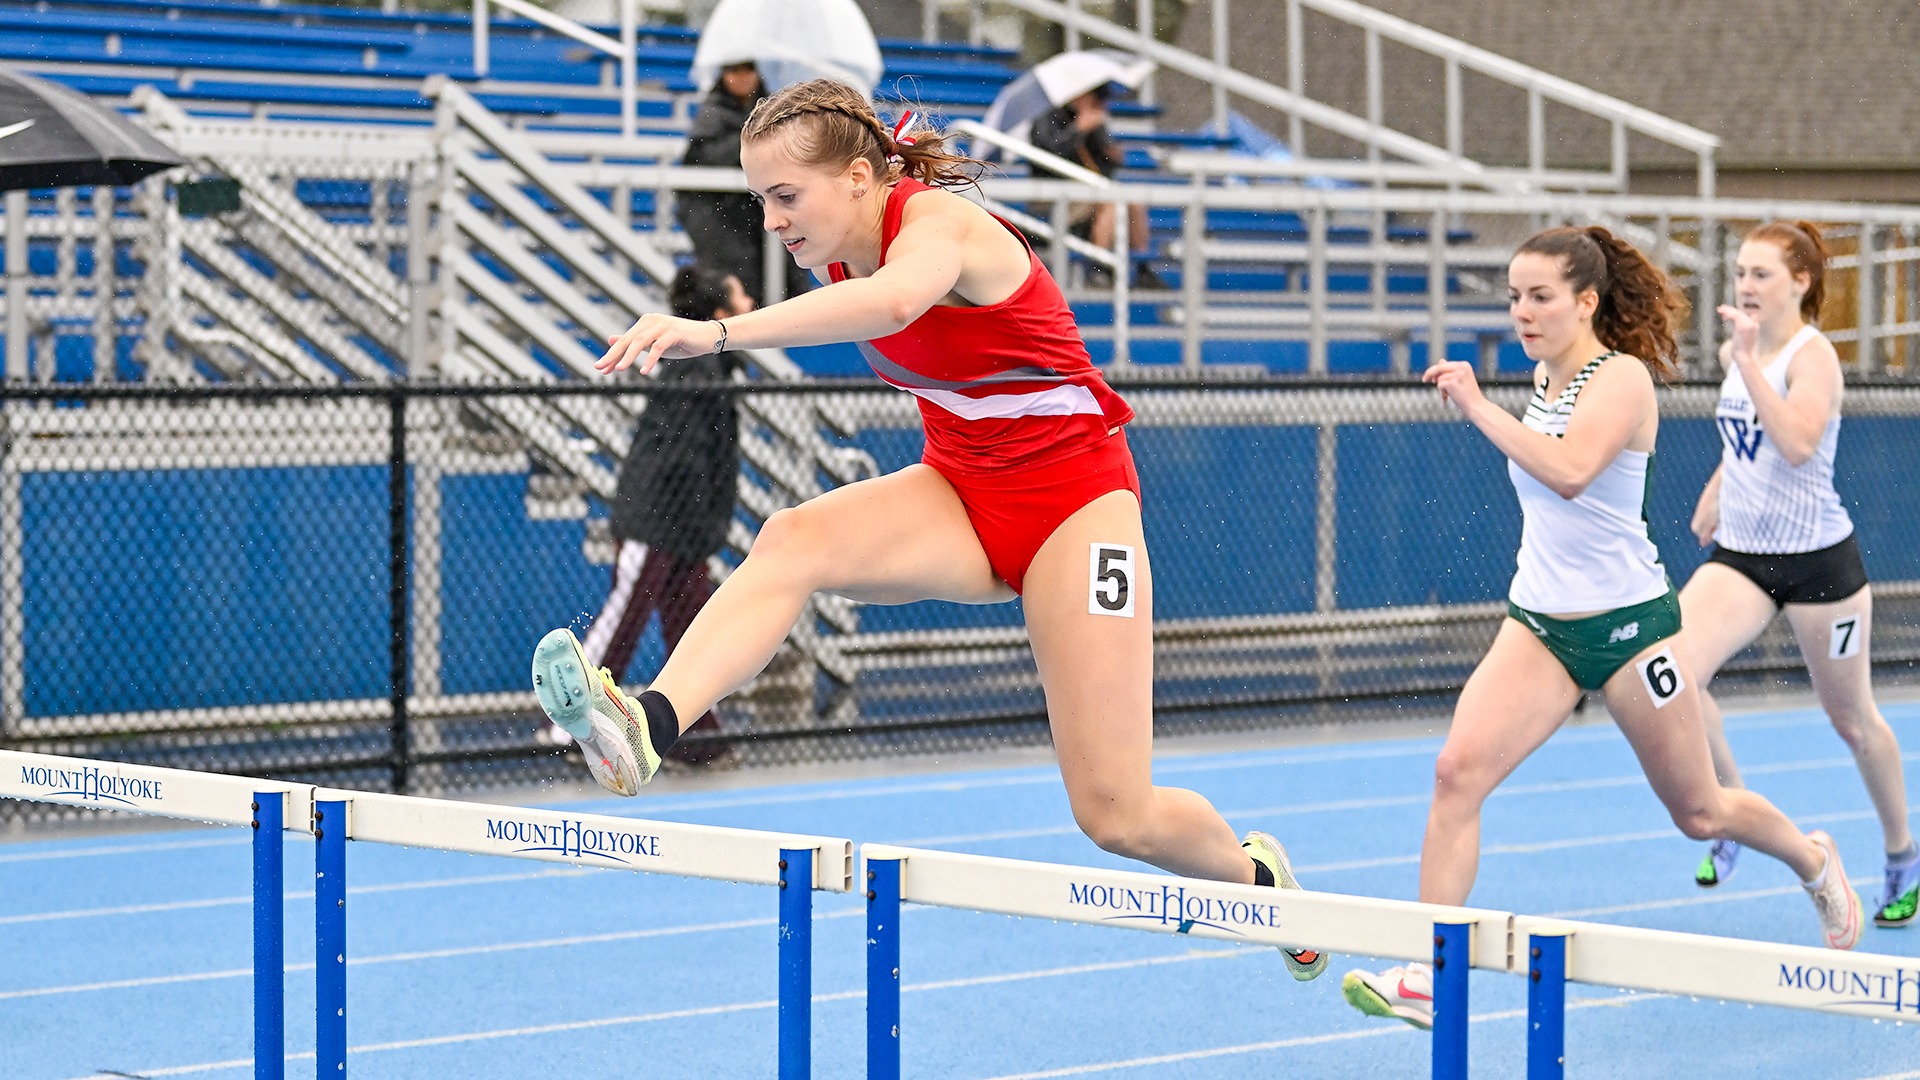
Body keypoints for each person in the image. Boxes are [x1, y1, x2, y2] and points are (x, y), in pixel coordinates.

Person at [529, 77, 1327, 980]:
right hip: (960, 488)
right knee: (792, 539)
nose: (773, 220)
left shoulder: (939, 228)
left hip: (1076, 506)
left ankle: (1258, 879)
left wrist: (718, 334)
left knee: (1115, 815)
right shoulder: (832, 251)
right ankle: (648, 727)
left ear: (864, 177)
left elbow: (895, 306)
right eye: (759, 201)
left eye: (786, 197)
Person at [1342, 225, 1863, 1031]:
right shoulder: (1545, 382)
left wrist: (1478, 406)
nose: (1522, 311)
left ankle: (1812, 858)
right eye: (1514, 297)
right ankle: (1428, 971)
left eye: (1540, 296)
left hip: (1630, 630)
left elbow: (1574, 473)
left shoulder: (1618, 380)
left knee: (1701, 811)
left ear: (1586, 302)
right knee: (1456, 774)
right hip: (1540, 625)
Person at [1680, 220, 1916, 927]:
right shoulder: (1740, 349)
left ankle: (1902, 853)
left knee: (1851, 719)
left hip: (1819, 569)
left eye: (1761, 275)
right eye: (1741, 273)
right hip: (1744, 559)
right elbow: (1748, 439)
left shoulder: (1812, 359)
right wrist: (1718, 486)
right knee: (1670, 676)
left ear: (1801, 284)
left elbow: (1796, 442)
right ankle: (1729, 811)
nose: (1745, 286)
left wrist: (1749, 362)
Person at [544, 263, 752, 770]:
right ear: (720, 313)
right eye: (739, 293)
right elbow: (677, 459)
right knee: (625, 616)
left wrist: (702, 530)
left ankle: (696, 736)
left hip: (689, 529)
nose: (751, 299)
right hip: (656, 522)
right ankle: (567, 727)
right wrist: (680, 524)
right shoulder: (695, 372)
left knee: (691, 631)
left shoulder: (716, 371)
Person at [677, 61, 808, 306]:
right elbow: (706, 160)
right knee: (736, 301)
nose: (741, 77)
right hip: (726, 224)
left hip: (761, 220)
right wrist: (749, 141)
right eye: (733, 70)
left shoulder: (773, 111)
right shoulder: (712, 114)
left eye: (748, 69)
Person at [1026, 84, 1162, 289]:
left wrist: (1109, 150)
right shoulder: (1046, 119)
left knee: (1132, 202)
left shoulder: (1094, 123)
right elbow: (1047, 157)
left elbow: (1105, 169)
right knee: (1110, 201)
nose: (1097, 103)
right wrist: (1078, 130)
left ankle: (1143, 267)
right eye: (1094, 97)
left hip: (1091, 192)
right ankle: (1100, 266)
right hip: (1055, 196)